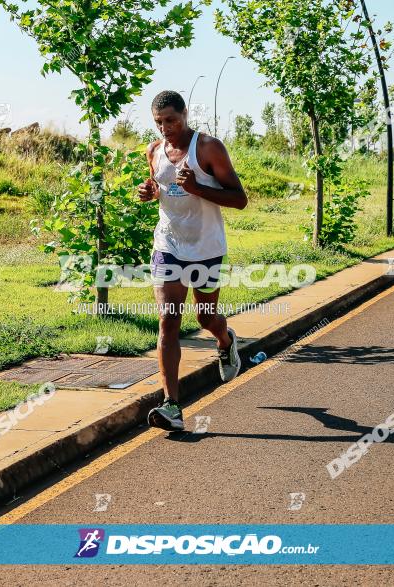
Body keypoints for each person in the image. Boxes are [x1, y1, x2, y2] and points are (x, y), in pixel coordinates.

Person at [137, 90, 247, 431]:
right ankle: (172, 405)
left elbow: (239, 199)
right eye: (159, 122)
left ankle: (225, 340)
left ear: (185, 114)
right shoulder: (154, 151)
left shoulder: (208, 148)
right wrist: (149, 192)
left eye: (171, 120)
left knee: (205, 317)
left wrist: (199, 187)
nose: (166, 128)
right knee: (168, 320)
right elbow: (162, 189)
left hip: (206, 248)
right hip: (168, 244)